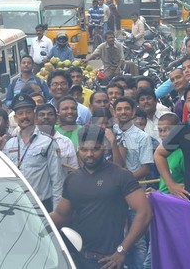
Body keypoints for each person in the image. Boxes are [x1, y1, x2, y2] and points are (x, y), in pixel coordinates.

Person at [50, 126, 152, 269]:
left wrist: (122, 251)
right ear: (78, 149)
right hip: (78, 259)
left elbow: (145, 213)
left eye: (95, 149)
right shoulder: (72, 179)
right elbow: (61, 214)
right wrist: (34, 223)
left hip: (109, 261)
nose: (89, 154)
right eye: (84, 149)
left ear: (104, 148)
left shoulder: (121, 175)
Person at [1, 94, 63, 211]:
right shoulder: (9, 144)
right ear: (15, 118)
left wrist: (56, 212)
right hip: (16, 205)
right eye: (20, 113)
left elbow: (57, 180)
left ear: (34, 115)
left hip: (42, 205)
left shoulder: (48, 142)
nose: (25, 116)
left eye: (28, 112)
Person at [113, 97, 154, 182]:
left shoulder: (143, 137)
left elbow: (145, 169)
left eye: (127, 109)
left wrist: (124, 181)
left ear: (133, 112)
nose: (123, 112)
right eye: (119, 109)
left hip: (135, 186)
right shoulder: (110, 132)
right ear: (114, 113)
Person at [35, 103, 78, 174]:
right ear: (35, 119)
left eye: (50, 114)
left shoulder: (66, 142)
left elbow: (73, 169)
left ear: (57, 119)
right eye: (42, 115)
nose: (46, 117)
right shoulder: (30, 140)